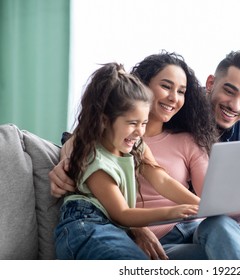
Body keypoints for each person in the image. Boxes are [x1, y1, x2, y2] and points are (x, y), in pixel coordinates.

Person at [50, 51, 240, 260]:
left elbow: (206, 200)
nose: (174, 97)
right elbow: (82, 143)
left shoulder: (185, 140)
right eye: (166, 87)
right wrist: (67, 159)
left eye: (181, 91)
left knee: (221, 225)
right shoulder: (111, 138)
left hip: (189, 229)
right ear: (141, 86)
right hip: (145, 240)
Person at [54, 62, 201, 260]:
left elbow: (163, 181)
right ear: (105, 120)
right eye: (133, 123)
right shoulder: (95, 161)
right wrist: (173, 212)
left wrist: (203, 206)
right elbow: (122, 213)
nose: (140, 132)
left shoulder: (136, 146)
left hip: (114, 228)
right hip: (85, 227)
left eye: (144, 123)